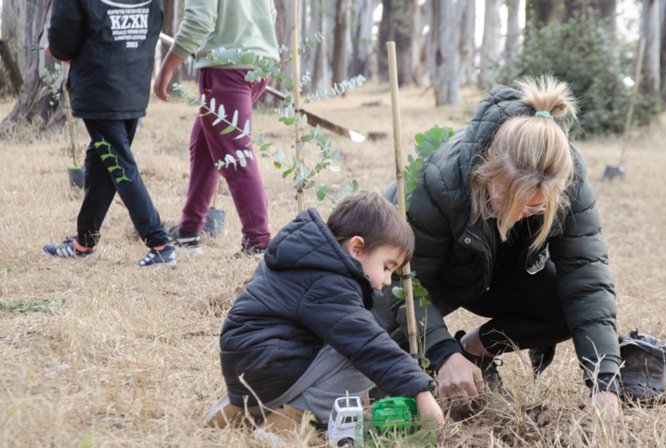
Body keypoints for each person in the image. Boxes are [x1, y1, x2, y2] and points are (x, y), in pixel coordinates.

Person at [373, 76, 622, 417]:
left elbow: (587, 279)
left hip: (500, 272)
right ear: (487, 171)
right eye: (509, 202)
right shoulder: (440, 180)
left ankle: (476, 350)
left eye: (534, 209)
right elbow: (405, 284)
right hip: (435, 275)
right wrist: (443, 354)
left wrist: (605, 384)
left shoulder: (567, 177)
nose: (520, 215)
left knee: (566, 308)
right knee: (378, 375)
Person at [205, 192, 444, 430]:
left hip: (246, 366)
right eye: (386, 267)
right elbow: (367, 343)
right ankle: (289, 425)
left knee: (352, 343)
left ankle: (240, 411)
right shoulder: (329, 282)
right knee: (361, 357)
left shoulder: (307, 258)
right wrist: (420, 390)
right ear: (357, 248)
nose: (387, 280)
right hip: (268, 366)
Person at [43, 0, 175, 268]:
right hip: (133, 85)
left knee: (119, 164)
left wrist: (59, 51)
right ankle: (84, 241)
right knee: (102, 159)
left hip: (100, 88)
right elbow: (155, 23)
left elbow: (63, 36)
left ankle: (159, 243)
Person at [153, 0, 278, 257]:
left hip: (226, 67)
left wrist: (166, 68)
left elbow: (199, 21)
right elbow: (271, 12)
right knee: (203, 144)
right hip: (260, 62)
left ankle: (258, 241)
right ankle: (189, 230)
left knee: (235, 153)